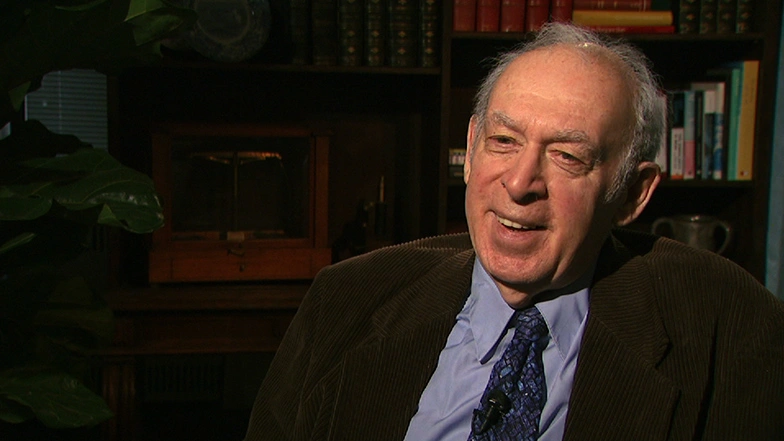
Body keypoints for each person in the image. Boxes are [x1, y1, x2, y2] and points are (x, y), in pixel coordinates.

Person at [244, 23, 784, 441]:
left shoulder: (724, 326)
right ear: (471, 148)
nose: (521, 183)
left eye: (567, 156)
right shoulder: (346, 298)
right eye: (503, 141)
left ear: (632, 195)